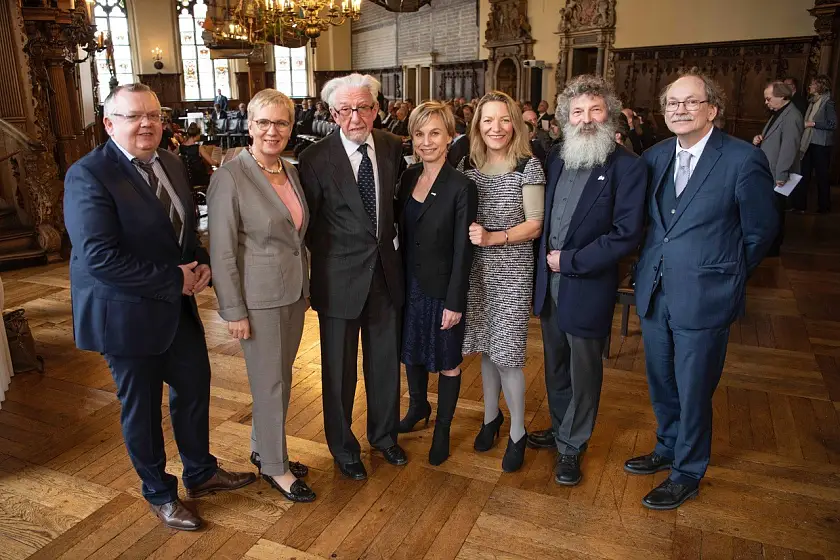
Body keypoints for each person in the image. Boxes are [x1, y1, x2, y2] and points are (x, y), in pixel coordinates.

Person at [63, 83, 255, 532]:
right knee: (143, 409)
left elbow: (182, 230)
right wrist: (176, 278)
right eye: (133, 116)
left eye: (153, 114)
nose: (146, 123)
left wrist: (201, 262)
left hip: (175, 307)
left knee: (193, 389)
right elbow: (99, 258)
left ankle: (201, 473)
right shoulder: (88, 174)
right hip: (125, 315)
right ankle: (160, 493)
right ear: (110, 124)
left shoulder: (169, 160)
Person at [627, 70, 777, 510]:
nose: (680, 109)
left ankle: (688, 470)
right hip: (656, 290)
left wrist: (724, 274)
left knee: (694, 387)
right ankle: (668, 445)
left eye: (691, 102)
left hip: (706, 295)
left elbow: (761, 230)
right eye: (673, 102)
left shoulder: (740, 159)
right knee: (661, 379)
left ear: (712, 109)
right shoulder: (653, 157)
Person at [527, 75, 647, 486]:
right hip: (550, 286)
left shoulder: (628, 167)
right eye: (578, 112)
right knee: (556, 365)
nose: (587, 119)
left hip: (586, 284)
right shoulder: (557, 158)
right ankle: (562, 428)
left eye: (595, 110)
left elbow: (626, 234)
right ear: (565, 119)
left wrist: (571, 260)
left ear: (609, 115)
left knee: (584, 371)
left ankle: (573, 445)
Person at [208, 89, 316, 503]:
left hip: (292, 294)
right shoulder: (229, 176)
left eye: (282, 123)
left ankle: (262, 447)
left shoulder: (290, 169)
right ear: (249, 125)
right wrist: (233, 309)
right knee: (270, 384)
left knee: (280, 378)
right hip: (258, 299)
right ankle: (275, 467)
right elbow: (221, 249)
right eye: (264, 123)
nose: (273, 131)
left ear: (292, 126)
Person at [299, 73, 407, 481]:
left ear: (376, 109)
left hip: (384, 276)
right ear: (333, 113)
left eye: (363, 107)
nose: (355, 117)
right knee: (338, 371)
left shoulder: (393, 147)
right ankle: (344, 448)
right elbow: (309, 223)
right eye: (345, 109)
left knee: (383, 365)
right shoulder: (314, 158)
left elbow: (393, 207)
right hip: (338, 278)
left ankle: (384, 436)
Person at [458, 91, 546, 472]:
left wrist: (495, 236)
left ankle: (518, 433)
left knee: (508, 354)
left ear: (517, 123)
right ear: (478, 124)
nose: (496, 127)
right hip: (475, 268)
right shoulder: (467, 164)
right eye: (488, 120)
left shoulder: (528, 165)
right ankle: (490, 418)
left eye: (504, 119)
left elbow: (535, 224)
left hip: (510, 267)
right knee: (484, 346)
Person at [395, 102, 478, 465]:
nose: (426, 141)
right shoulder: (408, 176)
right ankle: (418, 407)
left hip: (443, 289)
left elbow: (464, 250)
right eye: (419, 134)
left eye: (434, 133)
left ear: (449, 137)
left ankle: (443, 428)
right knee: (410, 351)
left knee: (447, 360)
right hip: (408, 284)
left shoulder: (462, 186)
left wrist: (455, 302)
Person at [753, 81, 803, 256]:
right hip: (770, 170)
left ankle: (773, 248)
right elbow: (774, 138)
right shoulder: (780, 112)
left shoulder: (793, 116)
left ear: (782, 96)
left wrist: (781, 174)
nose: (766, 102)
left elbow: (789, 148)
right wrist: (759, 139)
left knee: (775, 211)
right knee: (769, 209)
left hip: (778, 174)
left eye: (769, 99)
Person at [793, 74, 836, 214]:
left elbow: (832, 124)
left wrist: (812, 123)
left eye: (812, 84)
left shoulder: (828, 101)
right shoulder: (812, 101)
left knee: (821, 175)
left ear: (820, 86)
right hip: (808, 142)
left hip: (820, 144)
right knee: (803, 174)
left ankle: (824, 207)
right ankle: (800, 205)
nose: (809, 86)